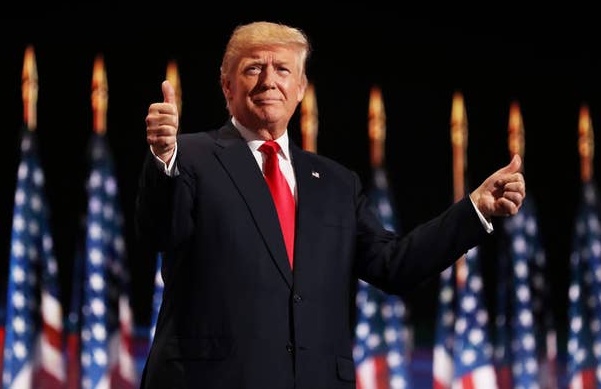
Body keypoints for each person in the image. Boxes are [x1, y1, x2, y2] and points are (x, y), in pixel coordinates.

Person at [135, 21, 525, 389]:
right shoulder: (189, 157)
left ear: (301, 87)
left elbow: (395, 265)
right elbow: (158, 231)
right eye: (254, 68)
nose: (269, 80)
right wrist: (164, 158)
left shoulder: (336, 182)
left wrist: (475, 209)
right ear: (226, 85)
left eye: (283, 70)